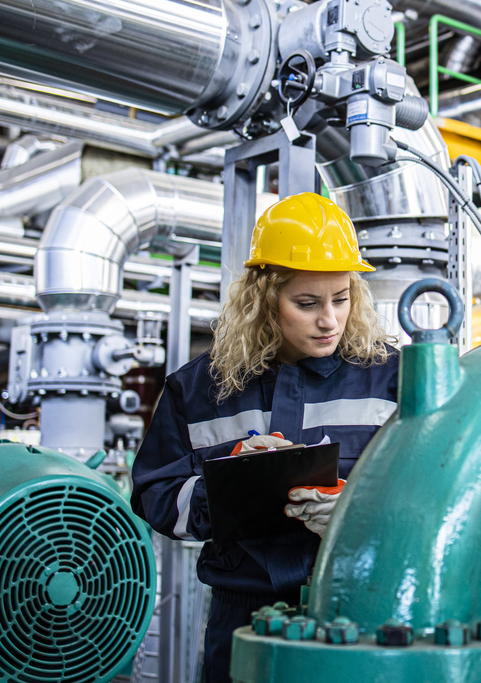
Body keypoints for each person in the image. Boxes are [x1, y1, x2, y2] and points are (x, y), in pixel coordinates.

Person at [131, 192, 399, 683]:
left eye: (341, 299)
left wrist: (356, 515)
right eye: (306, 303)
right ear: (263, 299)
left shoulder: (390, 380)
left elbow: (437, 493)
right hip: (241, 616)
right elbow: (156, 495)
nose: (329, 320)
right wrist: (231, 481)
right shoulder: (198, 390)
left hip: (361, 606)